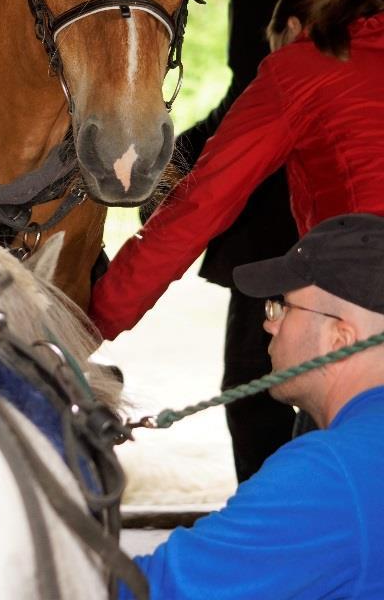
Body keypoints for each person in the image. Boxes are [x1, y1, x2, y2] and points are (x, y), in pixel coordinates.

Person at [157, 0, 384, 480]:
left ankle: (275, 536)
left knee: (255, 387)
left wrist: (180, 158)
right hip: (351, 209)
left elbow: (254, 98)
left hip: (289, 213)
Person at [90, 0, 384, 363]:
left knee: (332, 413)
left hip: (366, 292)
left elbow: (203, 204)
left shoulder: (298, 68)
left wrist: (95, 318)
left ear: (293, 27)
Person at [118, 212, 384, 600]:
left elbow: (146, 592)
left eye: (282, 307)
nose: (269, 324)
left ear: (340, 340)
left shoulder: (328, 472)